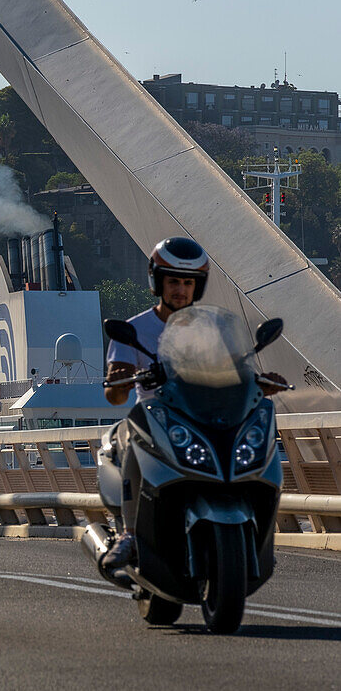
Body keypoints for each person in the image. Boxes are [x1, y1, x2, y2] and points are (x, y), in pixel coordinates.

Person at [101, 237, 286, 569]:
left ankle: (257, 532)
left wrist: (260, 381)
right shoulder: (135, 329)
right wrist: (124, 378)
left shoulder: (213, 328)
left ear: (197, 287)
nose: (180, 290)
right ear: (158, 282)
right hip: (157, 416)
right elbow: (115, 394)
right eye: (173, 281)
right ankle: (129, 533)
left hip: (204, 415)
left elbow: (238, 373)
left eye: (188, 283)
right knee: (131, 435)